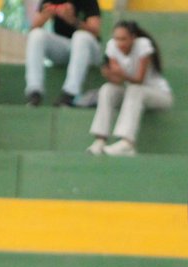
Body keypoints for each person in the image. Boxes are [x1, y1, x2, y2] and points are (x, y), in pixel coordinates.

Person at [87, 20, 172, 157]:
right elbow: (117, 82)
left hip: (159, 95)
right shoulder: (112, 46)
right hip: (132, 95)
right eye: (117, 39)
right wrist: (109, 75)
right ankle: (100, 140)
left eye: (123, 39)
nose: (119, 43)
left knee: (134, 89)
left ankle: (127, 143)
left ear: (133, 38)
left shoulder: (143, 45)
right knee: (107, 89)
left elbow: (139, 80)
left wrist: (122, 74)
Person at [24, 0, 102, 108]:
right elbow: (32, 28)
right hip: (65, 48)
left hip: (89, 51)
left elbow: (95, 31)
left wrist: (73, 20)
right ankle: (34, 91)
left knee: (80, 37)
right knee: (36, 35)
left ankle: (70, 93)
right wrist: (44, 17)